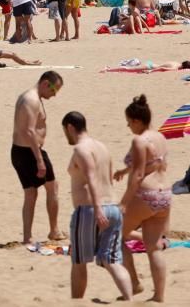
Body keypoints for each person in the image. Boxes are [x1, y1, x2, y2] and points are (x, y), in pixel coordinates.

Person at [62, 111, 132, 301]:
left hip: (90, 210)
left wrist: (97, 208)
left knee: (79, 261)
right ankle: (130, 300)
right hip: (112, 207)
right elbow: (108, 178)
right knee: (113, 261)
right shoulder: (102, 147)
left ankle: (76, 303)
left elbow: (91, 177)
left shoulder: (81, 149)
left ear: (70, 127)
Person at [113, 95, 170, 302]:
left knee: (116, 236)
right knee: (153, 248)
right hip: (164, 194)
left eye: (129, 122)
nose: (128, 126)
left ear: (137, 121)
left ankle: (135, 284)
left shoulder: (139, 140)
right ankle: (159, 296)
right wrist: (123, 169)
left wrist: (123, 203)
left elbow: (138, 175)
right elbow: (152, 162)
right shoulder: (160, 137)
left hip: (146, 193)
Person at [12, 71, 65, 245]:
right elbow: (29, 131)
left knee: (31, 193)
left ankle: (28, 237)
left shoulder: (29, 97)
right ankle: (54, 230)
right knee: (52, 187)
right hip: (29, 152)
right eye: (54, 90)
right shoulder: (31, 100)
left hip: (21, 151)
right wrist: (39, 160)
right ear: (45, 83)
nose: (54, 95)